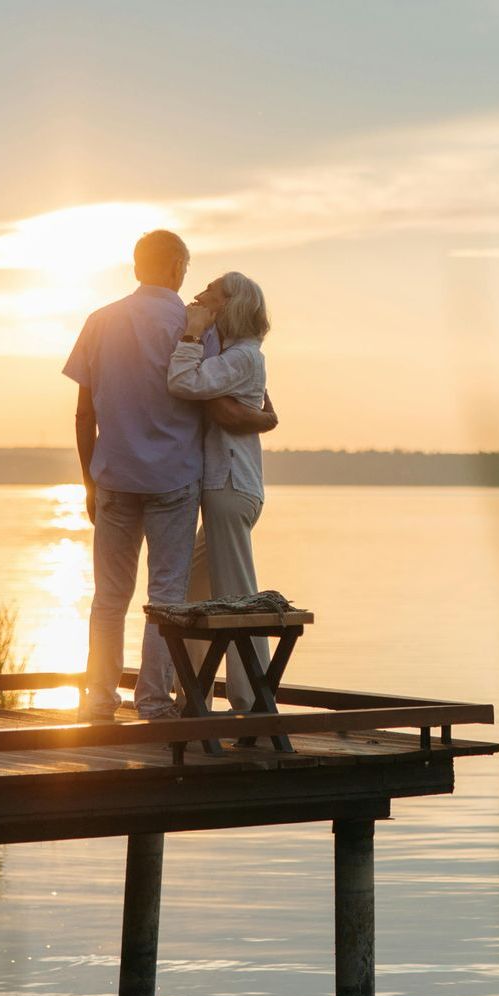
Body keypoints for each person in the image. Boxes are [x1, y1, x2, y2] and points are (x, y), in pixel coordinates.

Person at [63, 232, 273, 721]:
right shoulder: (196, 324)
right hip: (174, 481)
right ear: (177, 265)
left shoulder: (99, 321)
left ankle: (99, 699)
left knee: (109, 597)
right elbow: (221, 404)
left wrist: (89, 483)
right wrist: (264, 418)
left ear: (138, 267)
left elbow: (82, 414)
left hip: (113, 476)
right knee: (167, 599)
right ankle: (154, 702)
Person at [167, 272, 274, 713]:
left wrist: (191, 332)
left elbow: (183, 383)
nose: (200, 294)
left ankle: (253, 703)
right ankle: (193, 696)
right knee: (196, 592)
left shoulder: (243, 357)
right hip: (229, 488)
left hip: (229, 487)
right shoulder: (237, 356)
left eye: (211, 291)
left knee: (239, 598)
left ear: (229, 304)